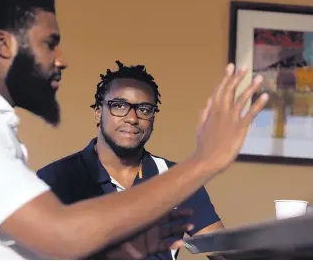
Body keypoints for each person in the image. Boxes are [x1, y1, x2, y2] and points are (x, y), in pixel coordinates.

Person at [0, 0, 268, 259]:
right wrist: (204, 160)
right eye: (49, 43)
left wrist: (122, 253)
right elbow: (61, 236)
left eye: (143, 109)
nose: (61, 60)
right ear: (3, 45)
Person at [37, 61, 224, 259]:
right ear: (98, 113)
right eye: (119, 106)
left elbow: (222, 251)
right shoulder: (54, 180)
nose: (133, 118)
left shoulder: (179, 181)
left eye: (144, 109)